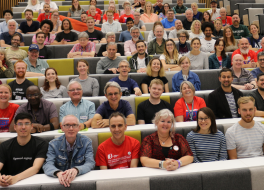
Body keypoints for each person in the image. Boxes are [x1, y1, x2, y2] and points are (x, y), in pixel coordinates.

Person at [43, 115, 95, 187]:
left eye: (74, 125)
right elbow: (48, 164)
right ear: (62, 128)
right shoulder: (53, 144)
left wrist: (76, 170)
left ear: (79, 127)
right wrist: (58, 173)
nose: (71, 128)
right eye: (67, 125)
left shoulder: (87, 142)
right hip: (59, 182)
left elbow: (90, 163)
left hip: (79, 180)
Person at [0, 113, 48, 187]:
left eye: (27, 124)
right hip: (9, 185)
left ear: (31, 126)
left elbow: (36, 168)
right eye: (20, 124)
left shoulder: (42, 144)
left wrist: (16, 178)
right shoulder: (4, 146)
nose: (23, 127)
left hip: (33, 184)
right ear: (15, 127)